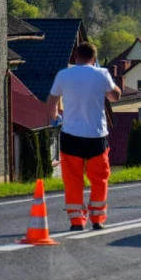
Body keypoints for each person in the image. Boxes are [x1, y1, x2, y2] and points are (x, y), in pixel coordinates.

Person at [46, 43, 121, 231]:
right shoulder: (102, 74)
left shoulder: (63, 75)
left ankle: (76, 221)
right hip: (96, 135)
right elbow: (115, 97)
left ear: (75, 57)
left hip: (71, 135)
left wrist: (55, 118)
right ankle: (97, 218)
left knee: (73, 180)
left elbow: (52, 100)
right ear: (94, 59)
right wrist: (108, 81)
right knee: (99, 178)